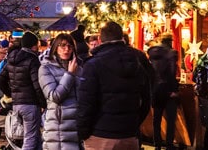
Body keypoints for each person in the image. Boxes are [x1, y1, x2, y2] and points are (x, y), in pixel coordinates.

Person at [77, 21, 150, 150]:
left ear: (100, 39)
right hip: (129, 133)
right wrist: (134, 123)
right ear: (122, 37)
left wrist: (83, 132)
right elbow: (146, 98)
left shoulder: (93, 64)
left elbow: (86, 103)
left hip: (101, 133)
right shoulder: (136, 60)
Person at [0, 31, 46, 150]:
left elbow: (0, 80)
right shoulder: (32, 60)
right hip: (30, 104)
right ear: (34, 45)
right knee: (30, 138)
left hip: (17, 105)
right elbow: (37, 85)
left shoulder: (11, 58)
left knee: (35, 136)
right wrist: (43, 103)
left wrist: (11, 94)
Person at [38, 32, 81, 150]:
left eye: (69, 46)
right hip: (58, 127)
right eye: (62, 46)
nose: (66, 49)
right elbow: (55, 96)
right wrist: (70, 74)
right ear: (56, 48)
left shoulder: (79, 67)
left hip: (77, 126)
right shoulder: (45, 68)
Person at [147, 33, 180, 150]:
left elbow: (151, 74)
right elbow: (171, 73)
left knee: (157, 120)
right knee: (170, 120)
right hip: (169, 91)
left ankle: (157, 145)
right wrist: (173, 90)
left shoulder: (151, 53)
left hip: (156, 90)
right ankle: (169, 145)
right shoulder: (171, 53)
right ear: (170, 41)